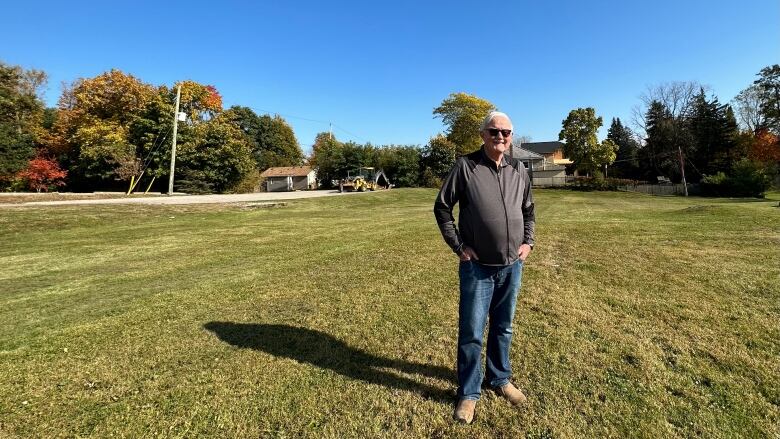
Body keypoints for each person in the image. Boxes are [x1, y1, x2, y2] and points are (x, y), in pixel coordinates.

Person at [433, 111, 535, 424]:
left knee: (503, 327)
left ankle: (500, 378)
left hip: (511, 266)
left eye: (506, 132)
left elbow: (529, 211)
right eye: (494, 131)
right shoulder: (466, 166)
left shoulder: (519, 169)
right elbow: (442, 207)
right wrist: (459, 246)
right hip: (477, 269)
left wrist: (528, 243)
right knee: (472, 333)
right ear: (483, 135)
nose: (501, 136)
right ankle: (468, 393)